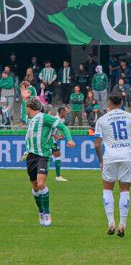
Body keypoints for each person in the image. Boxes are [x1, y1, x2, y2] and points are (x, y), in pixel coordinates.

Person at [93, 93, 131, 236]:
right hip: (127, 157)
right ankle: (122, 223)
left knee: (107, 188)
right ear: (122, 102)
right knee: (124, 190)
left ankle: (111, 221)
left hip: (110, 157)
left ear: (109, 103)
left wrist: (100, 160)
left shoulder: (102, 119)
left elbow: (97, 144)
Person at [23, 96, 75, 226]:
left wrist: (69, 139)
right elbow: (42, 132)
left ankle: (47, 213)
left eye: (26, 108)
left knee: (41, 184)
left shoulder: (44, 117)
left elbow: (63, 127)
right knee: (35, 187)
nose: (25, 111)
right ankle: (41, 211)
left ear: (30, 108)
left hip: (43, 156)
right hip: (31, 156)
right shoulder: (31, 120)